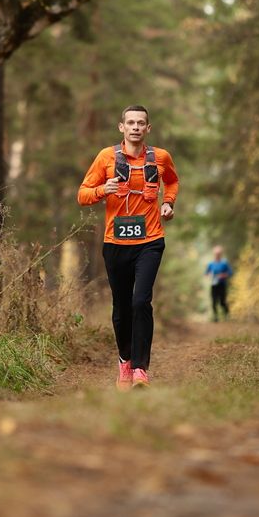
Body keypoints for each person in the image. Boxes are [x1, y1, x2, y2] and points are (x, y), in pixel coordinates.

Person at [78, 105, 179, 390]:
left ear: (148, 128)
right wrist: (102, 190)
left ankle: (140, 369)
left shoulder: (160, 157)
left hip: (150, 242)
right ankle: (124, 359)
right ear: (121, 127)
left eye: (141, 123)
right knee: (122, 307)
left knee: (140, 302)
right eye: (130, 122)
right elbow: (82, 194)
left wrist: (168, 203)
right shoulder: (106, 157)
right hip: (115, 243)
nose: (135, 127)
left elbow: (172, 181)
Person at [205, 245, 233, 321]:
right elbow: (206, 273)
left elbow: (230, 273)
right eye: (216, 254)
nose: (217, 255)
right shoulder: (211, 264)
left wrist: (223, 275)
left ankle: (227, 315)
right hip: (213, 284)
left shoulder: (224, 263)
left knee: (222, 301)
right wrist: (209, 275)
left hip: (222, 284)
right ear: (214, 254)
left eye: (218, 254)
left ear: (221, 254)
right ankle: (215, 317)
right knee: (214, 301)